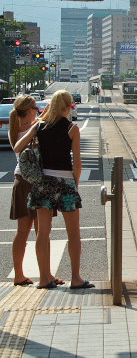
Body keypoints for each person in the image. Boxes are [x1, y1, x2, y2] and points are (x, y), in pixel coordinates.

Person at [14, 90, 93, 290]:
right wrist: (75, 184)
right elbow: (77, 164)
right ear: (68, 107)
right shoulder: (72, 129)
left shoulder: (40, 126)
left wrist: (34, 129)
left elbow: (17, 147)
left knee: (43, 233)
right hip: (65, 181)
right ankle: (76, 278)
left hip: (43, 182)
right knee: (73, 232)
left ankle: (43, 279)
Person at [8, 95, 60, 287]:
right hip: (37, 182)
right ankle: (46, 275)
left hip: (20, 181)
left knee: (22, 232)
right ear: (29, 110)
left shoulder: (15, 128)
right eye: (35, 109)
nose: (37, 111)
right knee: (43, 232)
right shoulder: (35, 128)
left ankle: (19, 275)